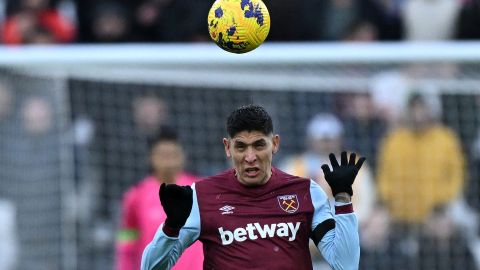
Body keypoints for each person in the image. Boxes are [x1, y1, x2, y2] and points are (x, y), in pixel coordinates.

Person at [141, 104, 365, 270]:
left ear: (274, 144)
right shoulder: (202, 196)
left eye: (259, 145)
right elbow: (151, 268)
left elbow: (346, 265)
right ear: (227, 148)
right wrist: (171, 227)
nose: (250, 157)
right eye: (241, 147)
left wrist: (343, 199)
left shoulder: (306, 192)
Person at [115, 127, 203, 270]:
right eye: (163, 155)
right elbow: (127, 244)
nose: (168, 160)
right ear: (151, 157)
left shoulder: (200, 189)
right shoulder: (136, 196)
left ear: (183, 156)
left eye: (173, 154)